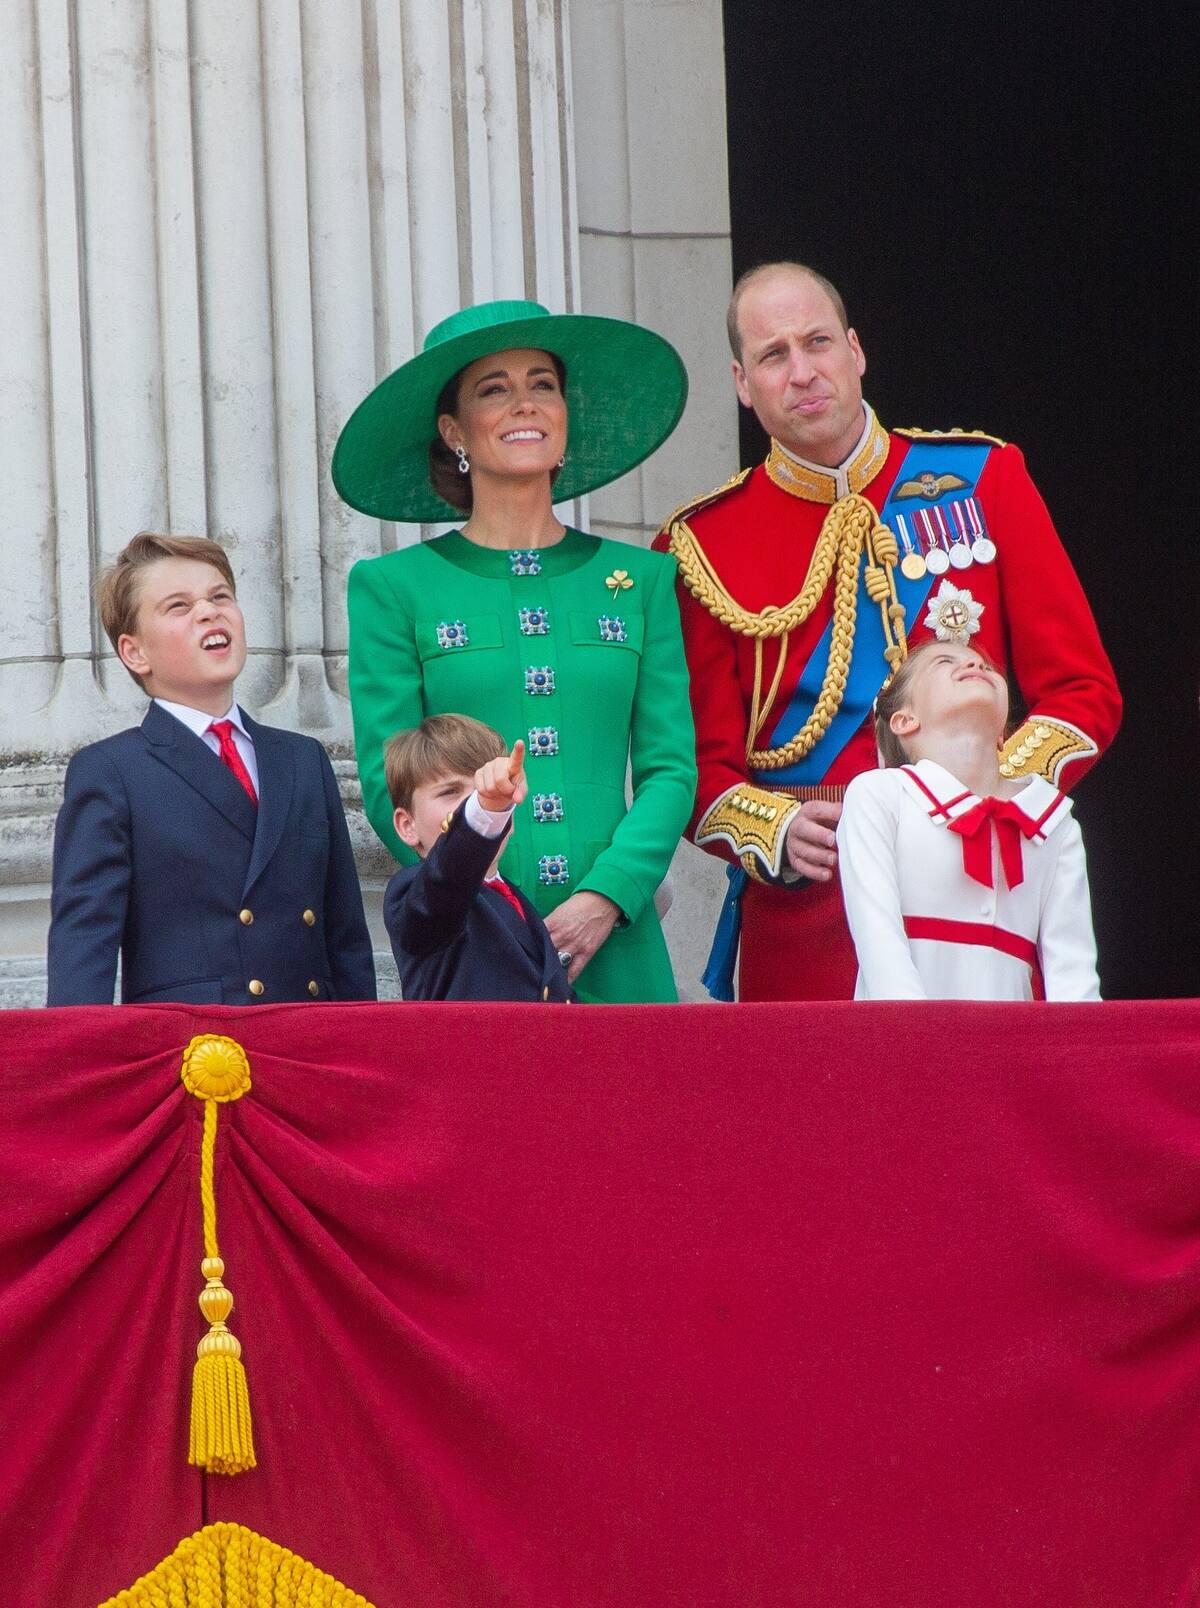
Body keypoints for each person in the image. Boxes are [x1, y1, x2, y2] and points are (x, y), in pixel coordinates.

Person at [654, 261, 1121, 1000]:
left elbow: (1081, 691)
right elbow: (694, 767)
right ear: (743, 384)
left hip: (980, 879)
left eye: (818, 343)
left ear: (856, 350)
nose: (803, 371)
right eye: (775, 356)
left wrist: (985, 791)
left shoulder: (982, 478)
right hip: (813, 897)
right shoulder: (700, 545)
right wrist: (772, 831)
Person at [334, 299, 696, 1004]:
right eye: (493, 389)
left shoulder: (644, 580)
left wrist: (609, 895)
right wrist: (482, 887)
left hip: (618, 942)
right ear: (454, 429)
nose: (523, 403)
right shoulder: (391, 588)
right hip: (477, 943)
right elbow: (391, 789)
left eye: (542, 384)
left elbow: (670, 771)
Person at [47, 533, 376, 1006]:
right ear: (134, 652)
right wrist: (86, 1068)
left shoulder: (303, 759)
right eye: (178, 606)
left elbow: (345, 938)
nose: (209, 611)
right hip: (191, 1053)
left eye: (220, 596)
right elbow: (84, 945)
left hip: (309, 1037)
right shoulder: (112, 771)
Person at [837, 641, 1100, 1000]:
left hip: (1013, 1049)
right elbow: (878, 940)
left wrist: (1080, 1055)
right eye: (945, 661)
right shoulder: (879, 795)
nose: (977, 663)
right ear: (904, 720)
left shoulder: (1055, 822)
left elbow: (1074, 979)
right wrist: (909, 1040)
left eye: (988, 666)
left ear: (1003, 730)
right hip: (904, 1043)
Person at [383, 715, 572, 1002]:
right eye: (450, 792)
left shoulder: (515, 898)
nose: (475, 800)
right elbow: (448, 878)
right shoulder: (416, 892)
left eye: (488, 792)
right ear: (407, 825)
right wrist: (485, 811)